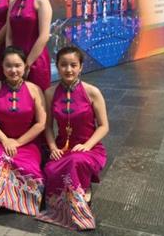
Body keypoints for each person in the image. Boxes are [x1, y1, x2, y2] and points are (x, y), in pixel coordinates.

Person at [38, 46, 108, 230]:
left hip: (89, 148)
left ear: (81, 67)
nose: (68, 69)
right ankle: (78, 189)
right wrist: (53, 147)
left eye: (73, 65)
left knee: (75, 161)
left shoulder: (92, 92)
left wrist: (87, 145)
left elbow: (104, 126)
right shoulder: (50, 93)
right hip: (62, 148)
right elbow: (47, 126)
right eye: (63, 65)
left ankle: (80, 201)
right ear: (57, 66)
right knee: (51, 169)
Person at [0, 47, 45, 215]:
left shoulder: (35, 89)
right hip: (1, 140)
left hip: (28, 142)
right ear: (2, 67)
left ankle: (22, 202)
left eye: (17, 65)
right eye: (8, 65)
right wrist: (5, 140)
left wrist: (18, 142)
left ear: (25, 67)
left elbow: (41, 123)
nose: (13, 70)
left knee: (27, 167)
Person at [6, 0, 52, 90]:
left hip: (36, 60)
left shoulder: (42, 1)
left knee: (38, 97)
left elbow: (44, 36)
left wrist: (27, 64)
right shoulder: (13, 3)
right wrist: (9, 60)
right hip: (15, 63)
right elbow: (9, 36)